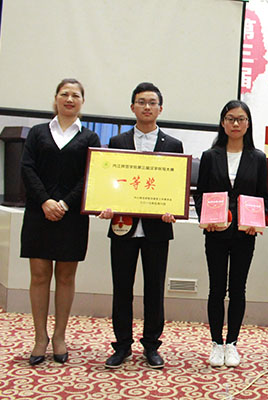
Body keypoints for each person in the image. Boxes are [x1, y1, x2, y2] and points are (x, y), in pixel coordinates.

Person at [99, 82, 183, 369]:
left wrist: (173, 209)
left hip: (157, 229)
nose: (147, 107)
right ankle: (122, 345)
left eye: (152, 102)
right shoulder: (117, 142)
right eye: (141, 102)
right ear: (132, 107)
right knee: (121, 288)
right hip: (122, 226)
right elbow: (109, 182)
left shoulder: (173, 145)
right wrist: (105, 204)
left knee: (154, 289)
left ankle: (151, 345)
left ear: (161, 108)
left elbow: (174, 186)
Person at [21, 78, 100, 365]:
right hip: (38, 212)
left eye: (75, 95)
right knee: (39, 276)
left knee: (66, 277)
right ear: (55, 98)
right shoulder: (38, 133)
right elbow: (27, 168)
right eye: (64, 94)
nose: (69, 99)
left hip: (72, 215)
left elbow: (90, 175)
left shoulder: (90, 137)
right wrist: (45, 201)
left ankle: (59, 336)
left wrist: (65, 203)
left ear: (82, 102)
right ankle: (40, 337)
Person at [194, 100, 268, 368]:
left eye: (241, 119)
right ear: (223, 123)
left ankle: (233, 343)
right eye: (230, 119)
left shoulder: (258, 158)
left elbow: (263, 197)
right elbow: (200, 194)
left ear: (248, 124)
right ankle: (216, 343)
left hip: (245, 234)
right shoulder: (210, 156)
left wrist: (257, 221)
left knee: (238, 288)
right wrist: (206, 219)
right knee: (216, 288)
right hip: (215, 232)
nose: (235, 124)